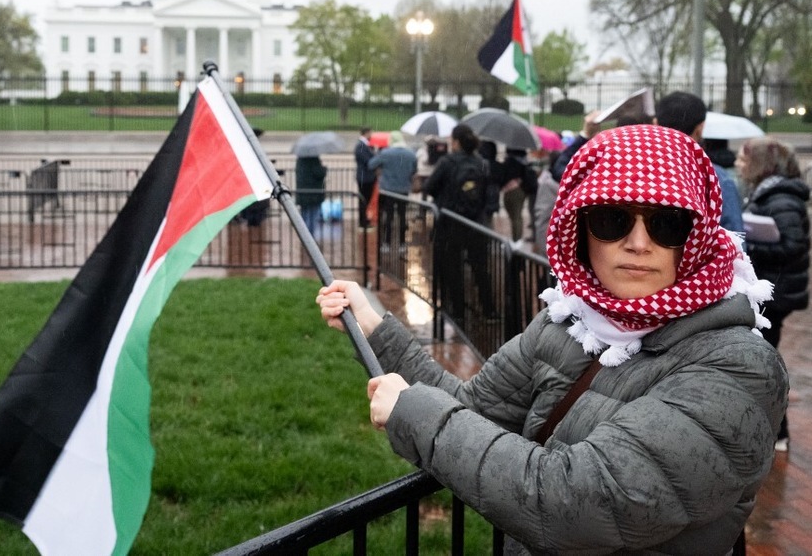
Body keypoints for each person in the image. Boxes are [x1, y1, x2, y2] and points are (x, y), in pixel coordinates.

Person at [317, 125, 786, 554]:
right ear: (581, 231)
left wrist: (414, 412)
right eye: (612, 219)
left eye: (667, 224)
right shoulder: (570, 321)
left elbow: (576, 503)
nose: (639, 243)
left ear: (696, 236)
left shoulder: (739, 366)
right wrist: (377, 328)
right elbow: (473, 407)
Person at [736, 137, 810, 452]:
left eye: (744, 159)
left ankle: (777, 431)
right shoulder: (768, 192)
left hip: (777, 292)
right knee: (765, 359)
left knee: (766, 362)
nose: (739, 164)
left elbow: (794, 245)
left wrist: (751, 244)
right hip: (772, 287)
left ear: (762, 164)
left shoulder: (782, 198)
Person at [423, 124, 493, 322]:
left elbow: (430, 186)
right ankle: (489, 310)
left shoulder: (448, 162)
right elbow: (488, 191)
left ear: (455, 142)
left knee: (452, 268)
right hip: (476, 223)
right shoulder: (481, 163)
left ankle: (458, 313)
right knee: (480, 268)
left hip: (450, 223)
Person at [654, 91, 744, 233]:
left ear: (655, 124)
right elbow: (735, 240)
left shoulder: (633, 171)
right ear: (700, 129)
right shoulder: (716, 179)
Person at [368, 131, 417, 247]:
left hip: (388, 189)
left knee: (388, 216)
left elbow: (371, 164)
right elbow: (414, 170)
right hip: (404, 189)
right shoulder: (410, 154)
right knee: (402, 216)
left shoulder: (386, 153)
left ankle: (387, 242)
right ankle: (402, 242)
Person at [500, 147, 537, 244]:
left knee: (515, 216)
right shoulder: (524, 162)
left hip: (512, 190)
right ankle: (517, 239)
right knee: (517, 215)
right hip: (521, 190)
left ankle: (516, 239)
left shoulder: (511, 161)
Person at [295, 155, 327, 239]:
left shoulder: (300, 159)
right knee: (312, 217)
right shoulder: (313, 159)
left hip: (303, 193)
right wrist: (324, 169)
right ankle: (309, 239)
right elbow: (318, 173)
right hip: (314, 194)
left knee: (305, 216)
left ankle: (304, 237)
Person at [354, 127, 377, 229]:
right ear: (366, 133)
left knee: (365, 200)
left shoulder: (364, 145)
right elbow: (368, 161)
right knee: (363, 200)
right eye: (370, 133)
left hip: (367, 177)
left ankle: (364, 219)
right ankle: (363, 221)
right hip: (365, 177)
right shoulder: (361, 146)